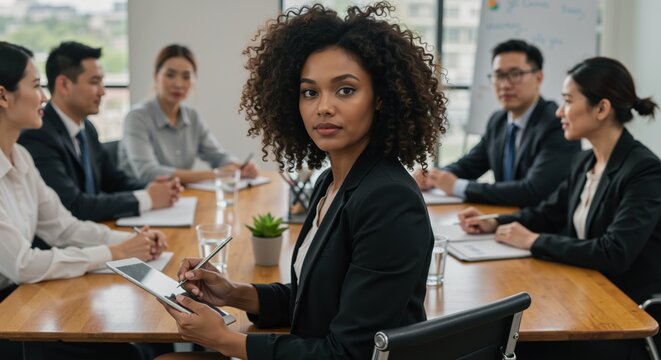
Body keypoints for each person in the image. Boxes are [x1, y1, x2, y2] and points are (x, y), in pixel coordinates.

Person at [157, 2, 446, 359]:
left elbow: (349, 354)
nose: (323, 107)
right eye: (310, 92)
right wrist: (232, 292)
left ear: (382, 99)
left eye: (345, 90)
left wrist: (225, 341)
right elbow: (316, 298)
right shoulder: (332, 182)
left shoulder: (389, 200)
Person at [460, 56, 661, 359]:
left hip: (623, 316)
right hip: (585, 294)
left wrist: (534, 241)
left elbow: (614, 253)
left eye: (568, 100)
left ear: (602, 109)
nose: (558, 111)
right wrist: (495, 221)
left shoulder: (644, 171)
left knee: (513, 343)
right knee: (501, 332)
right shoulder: (584, 161)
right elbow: (547, 212)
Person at [0, 41, 168, 360]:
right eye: (36, 86)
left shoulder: (20, 156)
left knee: (147, 337)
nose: (44, 98)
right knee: (127, 353)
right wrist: (111, 252)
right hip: (8, 316)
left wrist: (133, 241)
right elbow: (23, 264)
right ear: (3, 95)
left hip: (22, 299)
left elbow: (63, 228)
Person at [18, 41, 182, 222]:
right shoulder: (38, 136)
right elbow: (73, 206)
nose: (103, 92)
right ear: (64, 85)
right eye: (94, 82)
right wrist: (148, 198)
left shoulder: (87, 128)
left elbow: (113, 181)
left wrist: (154, 187)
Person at [414, 39, 581, 207]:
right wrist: (434, 176)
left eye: (515, 74)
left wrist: (457, 186)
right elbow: (469, 165)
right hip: (503, 221)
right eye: (499, 75)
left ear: (538, 78)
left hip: (541, 228)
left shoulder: (557, 123)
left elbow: (533, 191)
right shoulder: (498, 121)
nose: (505, 84)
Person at [117, 44, 259, 184]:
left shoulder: (192, 117)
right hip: (141, 199)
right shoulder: (136, 117)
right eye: (170, 75)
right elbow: (148, 172)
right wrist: (215, 174)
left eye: (186, 77)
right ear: (156, 76)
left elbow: (218, 156)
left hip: (178, 199)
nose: (178, 84)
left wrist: (240, 166)